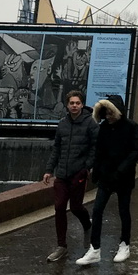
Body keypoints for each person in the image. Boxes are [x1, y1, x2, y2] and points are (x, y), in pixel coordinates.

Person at [76, 94, 138, 266]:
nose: (107, 117)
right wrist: (96, 171)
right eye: (105, 114)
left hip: (123, 178)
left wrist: (122, 169)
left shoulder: (131, 127)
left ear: (117, 111)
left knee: (123, 211)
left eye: (109, 113)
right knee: (97, 211)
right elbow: (99, 151)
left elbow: (136, 150)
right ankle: (95, 248)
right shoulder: (104, 128)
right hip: (106, 178)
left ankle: (124, 245)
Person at [42, 90, 98, 262]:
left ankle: (88, 225)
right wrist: (49, 170)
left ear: (82, 104)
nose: (74, 106)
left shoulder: (90, 123)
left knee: (75, 207)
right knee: (59, 207)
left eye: (77, 103)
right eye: (71, 103)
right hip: (62, 174)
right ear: (67, 105)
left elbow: (95, 147)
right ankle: (61, 246)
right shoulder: (62, 124)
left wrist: (86, 167)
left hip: (78, 173)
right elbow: (56, 148)